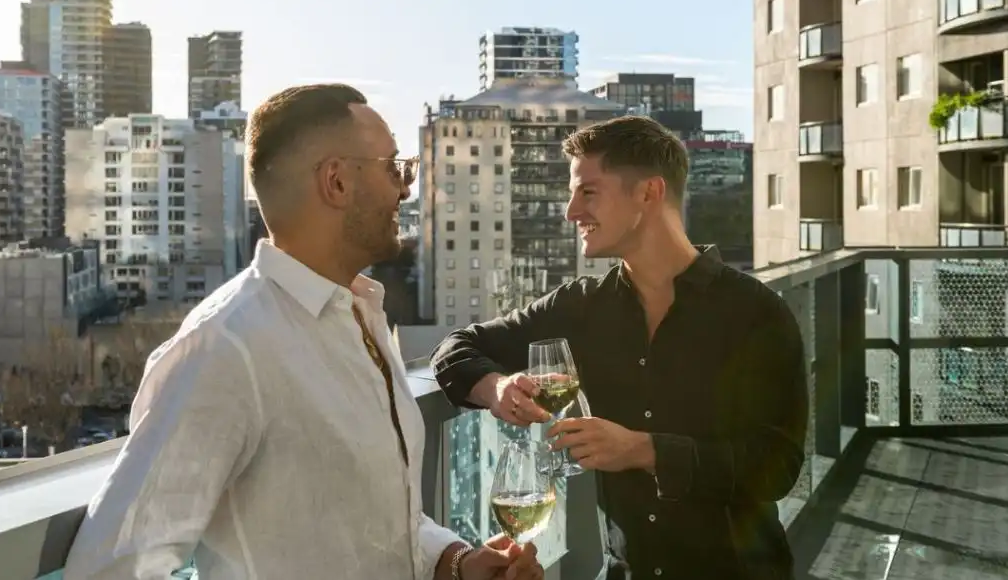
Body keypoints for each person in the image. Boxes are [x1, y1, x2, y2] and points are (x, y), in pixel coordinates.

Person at [63, 84, 544, 580]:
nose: (405, 188)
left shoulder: (362, 315)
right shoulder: (227, 345)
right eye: (393, 168)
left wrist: (455, 561)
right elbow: (110, 569)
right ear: (336, 181)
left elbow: (373, 522)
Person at [430, 116, 807, 579]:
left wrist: (643, 450)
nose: (571, 212)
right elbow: (456, 348)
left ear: (649, 192)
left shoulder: (756, 312)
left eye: (588, 192)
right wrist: (498, 387)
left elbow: (777, 467)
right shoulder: (580, 306)